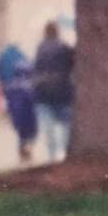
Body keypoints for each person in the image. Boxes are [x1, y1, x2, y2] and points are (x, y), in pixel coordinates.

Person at [31, 22, 74, 163]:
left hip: (43, 93)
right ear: (57, 32)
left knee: (48, 127)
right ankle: (66, 153)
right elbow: (72, 64)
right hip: (63, 91)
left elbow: (35, 69)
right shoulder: (64, 48)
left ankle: (52, 156)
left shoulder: (39, 48)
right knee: (66, 125)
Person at [0, 42, 37, 162]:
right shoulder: (30, 86)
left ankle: (23, 148)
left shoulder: (3, 57)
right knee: (30, 130)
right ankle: (27, 147)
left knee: (21, 129)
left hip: (12, 100)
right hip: (29, 113)